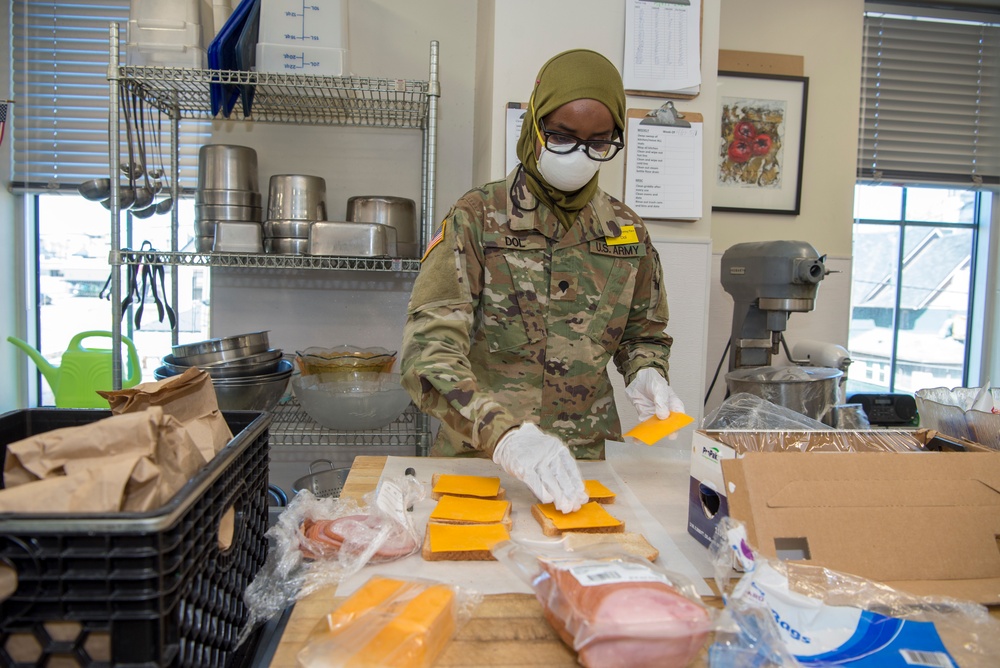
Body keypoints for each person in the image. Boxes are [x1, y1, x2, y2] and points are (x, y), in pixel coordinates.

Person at [400, 49, 684, 513]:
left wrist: (647, 371)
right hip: (482, 461)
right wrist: (505, 436)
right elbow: (427, 357)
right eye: (562, 136)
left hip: (586, 467)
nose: (578, 153)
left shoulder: (626, 232)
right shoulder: (477, 219)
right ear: (534, 126)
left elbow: (643, 333)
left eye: (599, 141)